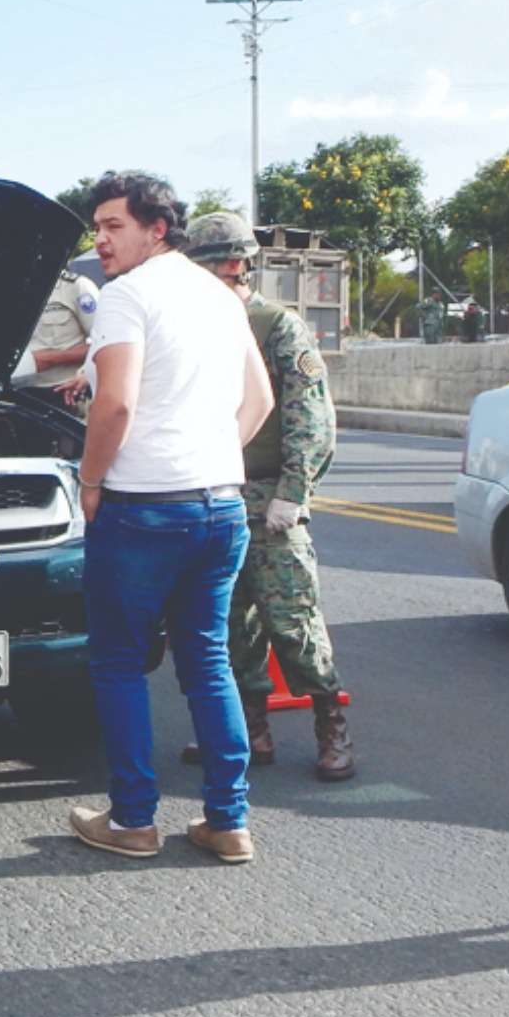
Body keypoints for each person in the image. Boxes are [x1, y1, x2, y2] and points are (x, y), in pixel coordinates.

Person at [64, 172, 273, 864]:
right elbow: (260, 401)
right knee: (207, 661)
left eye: (114, 225)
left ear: (158, 229)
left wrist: (91, 481)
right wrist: (207, 457)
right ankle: (228, 821)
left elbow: (115, 404)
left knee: (119, 662)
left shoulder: (126, 296)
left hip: (143, 510)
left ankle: (133, 821)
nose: (101, 239)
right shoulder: (220, 295)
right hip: (221, 505)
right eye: (97, 227)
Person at [178, 212, 352, 781]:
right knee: (228, 626)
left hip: (271, 500)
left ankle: (331, 726)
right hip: (217, 494)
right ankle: (251, 730)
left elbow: (310, 413)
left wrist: (295, 492)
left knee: (293, 620)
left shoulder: (275, 326)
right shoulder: (195, 325)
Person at [21, 262, 99, 409]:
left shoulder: (76, 287)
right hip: (17, 394)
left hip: (64, 393)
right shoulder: (10, 292)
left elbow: (105, 345)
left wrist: (52, 359)